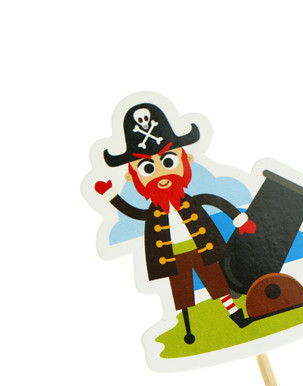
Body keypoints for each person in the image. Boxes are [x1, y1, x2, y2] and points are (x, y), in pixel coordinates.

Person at [94, 103, 256, 344]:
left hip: (202, 250)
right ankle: (188, 332)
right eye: (148, 168)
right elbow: (135, 213)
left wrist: (238, 217)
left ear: (186, 159)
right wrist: (111, 196)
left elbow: (213, 200)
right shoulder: (154, 211)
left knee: (218, 284)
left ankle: (236, 317)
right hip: (172, 257)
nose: (161, 173)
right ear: (131, 176)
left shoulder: (190, 201)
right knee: (182, 293)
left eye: (168, 162)